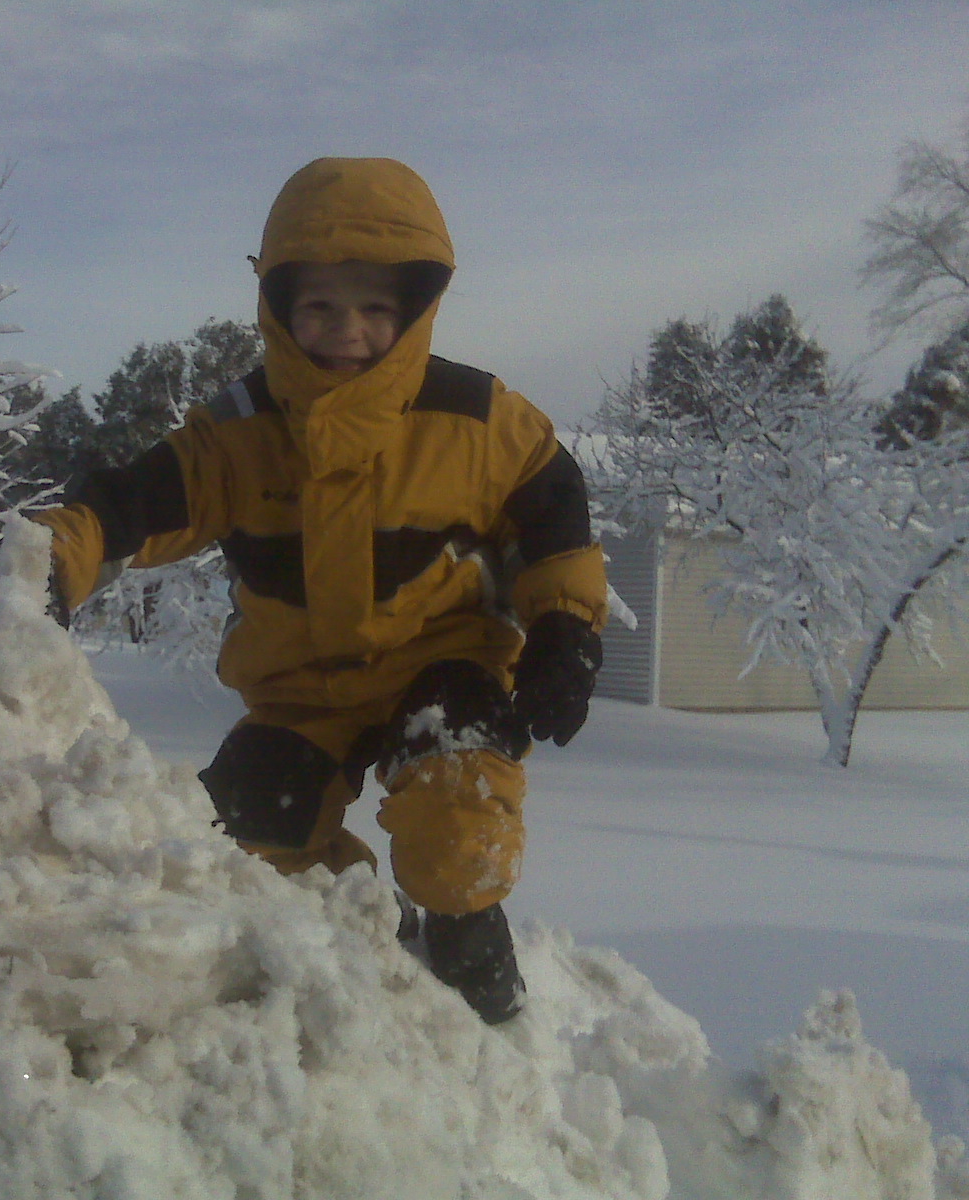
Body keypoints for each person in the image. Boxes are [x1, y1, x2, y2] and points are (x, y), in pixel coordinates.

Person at [31, 157, 607, 1024]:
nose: (348, 332)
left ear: (414, 308)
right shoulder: (237, 435)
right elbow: (123, 509)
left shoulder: (478, 422)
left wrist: (566, 631)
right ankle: (364, 934)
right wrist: (44, 564)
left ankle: (476, 963)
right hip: (300, 693)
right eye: (321, 308)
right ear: (278, 305)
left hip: (441, 666)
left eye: (375, 309)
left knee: (457, 826)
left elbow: (553, 514)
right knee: (241, 850)